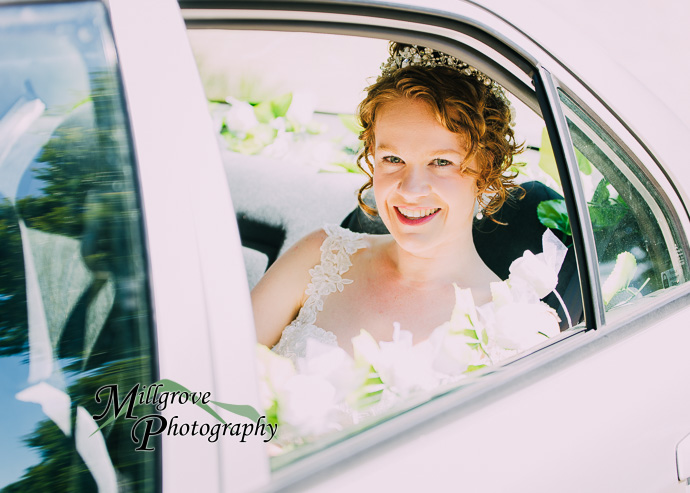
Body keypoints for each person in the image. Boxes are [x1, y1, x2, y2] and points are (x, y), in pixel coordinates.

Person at [252, 43, 523, 363]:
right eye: (393, 158)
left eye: (440, 161)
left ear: (486, 167)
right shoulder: (319, 257)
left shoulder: (506, 329)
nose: (410, 190)